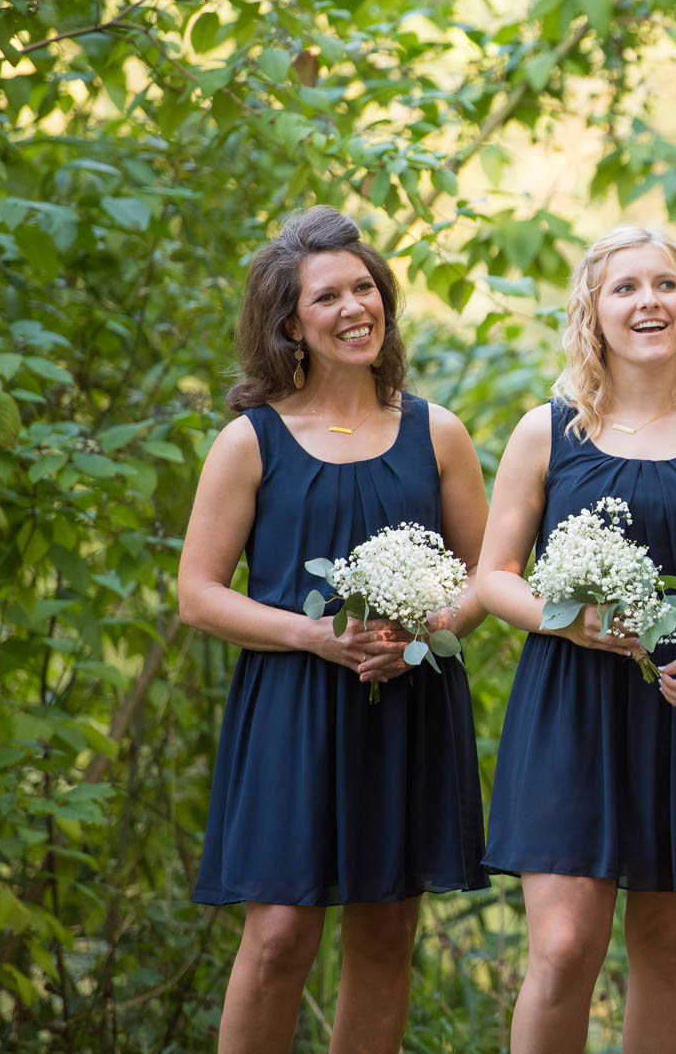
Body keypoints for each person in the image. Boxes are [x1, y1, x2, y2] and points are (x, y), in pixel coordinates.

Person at [178, 206, 490, 1054]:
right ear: (291, 323)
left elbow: (485, 580)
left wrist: (426, 630)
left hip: (409, 705)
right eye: (329, 297)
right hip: (290, 706)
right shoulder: (251, 442)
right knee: (279, 937)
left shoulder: (439, 434)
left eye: (366, 288)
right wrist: (316, 638)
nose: (356, 307)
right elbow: (198, 595)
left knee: (386, 938)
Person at [478, 226, 676, 1054]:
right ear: (593, 312)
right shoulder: (548, 431)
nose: (648, 302)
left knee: (669, 950)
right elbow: (495, 573)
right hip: (569, 705)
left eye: (665, 285)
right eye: (625, 288)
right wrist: (563, 618)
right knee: (564, 949)